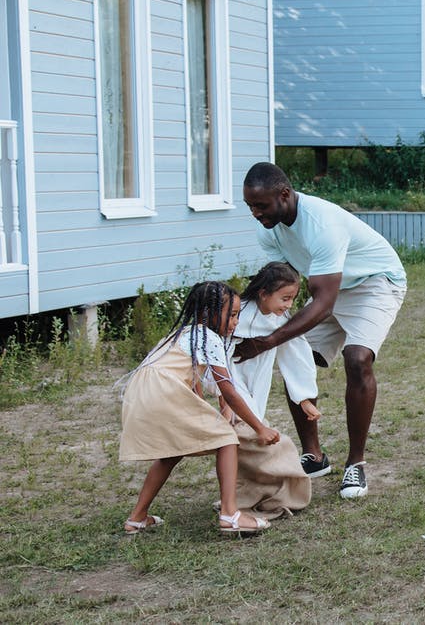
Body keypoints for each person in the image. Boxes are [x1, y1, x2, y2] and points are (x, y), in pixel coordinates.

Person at [237, 162, 407, 499]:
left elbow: (323, 302)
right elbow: (283, 285)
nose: (255, 214)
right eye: (250, 206)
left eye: (261, 205)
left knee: (357, 359)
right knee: (294, 357)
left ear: (284, 194)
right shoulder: (268, 230)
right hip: (329, 289)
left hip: (374, 282)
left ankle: (355, 465)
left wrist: (269, 340)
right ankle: (313, 456)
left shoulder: (320, 223)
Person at [119, 281, 280, 535]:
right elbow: (228, 389)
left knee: (171, 452)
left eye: (238, 315)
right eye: (233, 314)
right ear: (208, 312)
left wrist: (214, 412)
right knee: (227, 440)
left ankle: (137, 518)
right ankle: (230, 514)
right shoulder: (209, 337)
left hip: (143, 391)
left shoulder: (184, 334)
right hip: (164, 390)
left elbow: (196, 382)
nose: (236, 321)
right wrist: (260, 428)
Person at [223, 261, 318, 517]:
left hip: (258, 385)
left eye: (292, 299)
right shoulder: (236, 315)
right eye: (285, 298)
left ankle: (249, 494)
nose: (289, 305)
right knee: (252, 437)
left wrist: (304, 398)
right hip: (233, 384)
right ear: (264, 293)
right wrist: (224, 399)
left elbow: (295, 353)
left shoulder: (279, 320)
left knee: (247, 440)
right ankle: (250, 497)